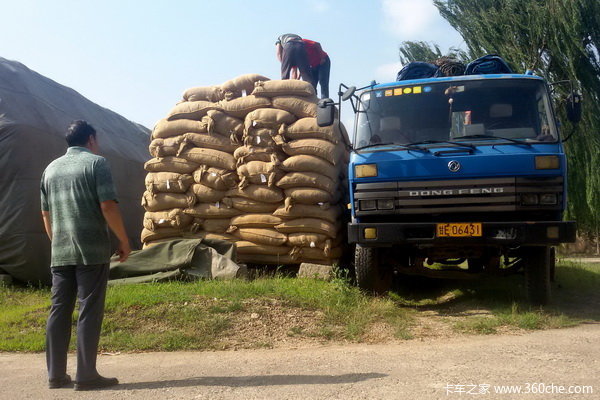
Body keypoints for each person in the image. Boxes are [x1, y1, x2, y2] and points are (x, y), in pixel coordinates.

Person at [41, 120, 130, 391]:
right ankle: (87, 375)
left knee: (59, 310)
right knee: (89, 310)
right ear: (91, 139)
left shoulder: (50, 169)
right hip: (91, 250)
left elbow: (45, 214)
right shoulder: (96, 163)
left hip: (61, 252)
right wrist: (124, 240)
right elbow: (107, 205)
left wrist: (57, 242)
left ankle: (56, 375)